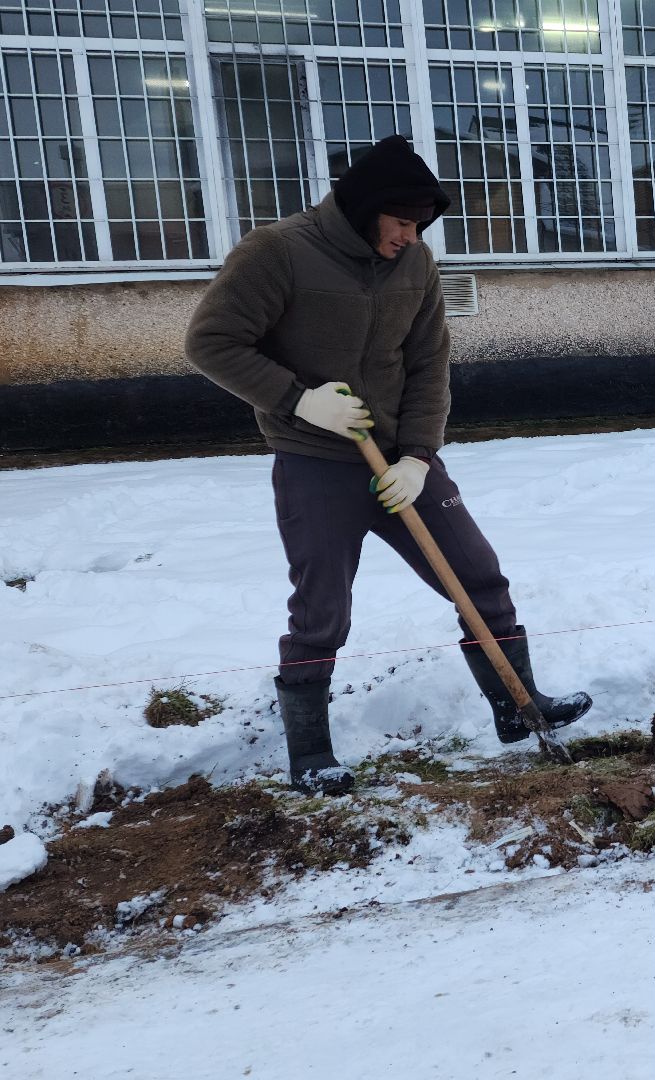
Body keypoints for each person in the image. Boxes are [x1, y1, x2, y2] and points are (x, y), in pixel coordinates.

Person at [185, 135, 589, 795]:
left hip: (401, 458)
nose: (410, 235)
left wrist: (420, 456)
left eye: (419, 225)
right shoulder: (279, 252)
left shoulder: (415, 263)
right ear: (365, 207)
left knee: (478, 577)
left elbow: (430, 363)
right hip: (317, 461)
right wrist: (299, 401)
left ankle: (520, 707)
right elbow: (210, 342)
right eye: (400, 221)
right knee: (322, 610)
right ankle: (311, 756)